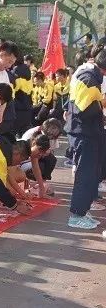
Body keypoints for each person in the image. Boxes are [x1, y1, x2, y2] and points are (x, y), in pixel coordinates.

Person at [66, 45, 106, 229]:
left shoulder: (92, 77)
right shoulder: (88, 78)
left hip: (92, 132)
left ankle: (83, 210)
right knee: (85, 174)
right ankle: (76, 215)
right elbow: (83, 110)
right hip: (84, 134)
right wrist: (102, 103)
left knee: (93, 174)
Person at [10, 59, 34, 137]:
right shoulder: (27, 70)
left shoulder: (16, 70)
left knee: (14, 131)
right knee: (25, 133)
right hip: (27, 106)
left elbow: (14, 90)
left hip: (18, 106)